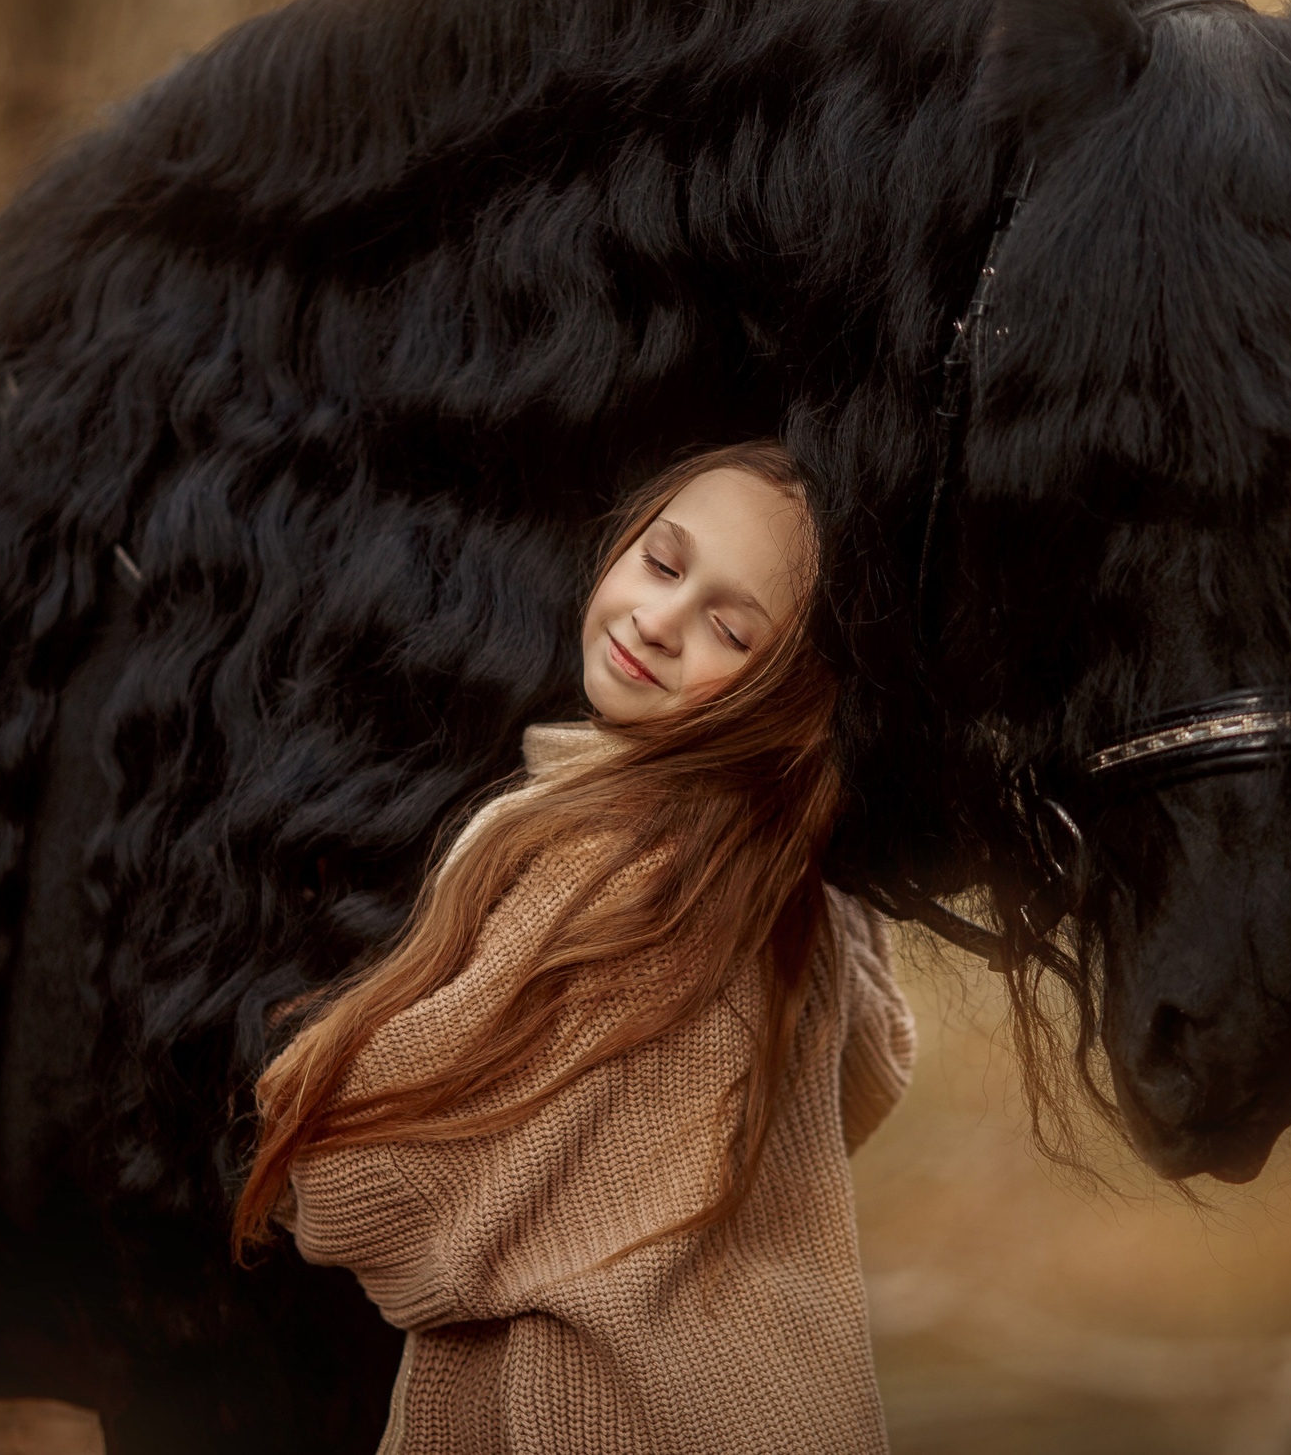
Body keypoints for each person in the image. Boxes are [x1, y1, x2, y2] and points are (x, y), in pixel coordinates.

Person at [235, 440, 915, 1455]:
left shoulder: (610, 873)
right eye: (663, 562)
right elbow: (873, 1066)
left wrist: (298, 1076)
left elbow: (362, 1177)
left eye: (730, 630)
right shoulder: (793, 880)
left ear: (786, 697)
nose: (660, 621)